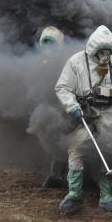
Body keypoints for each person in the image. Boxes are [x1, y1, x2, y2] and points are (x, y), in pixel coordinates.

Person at [55, 25, 112, 213]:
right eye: (101, 52)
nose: (104, 56)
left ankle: (106, 196)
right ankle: (74, 195)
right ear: (92, 49)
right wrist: (71, 105)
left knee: (106, 150)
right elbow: (62, 87)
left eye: (108, 52)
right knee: (77, 148)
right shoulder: (76, 62)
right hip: (84, 110)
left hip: (108, 112)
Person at [38, 26, 68, 188]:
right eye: (46, 43)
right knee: (57, 141)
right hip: (51, 105)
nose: (48, 47)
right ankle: (57, 175)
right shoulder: (41, 62)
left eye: (52, 43)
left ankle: (61, 175)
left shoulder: (66, 60)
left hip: (66, 104)